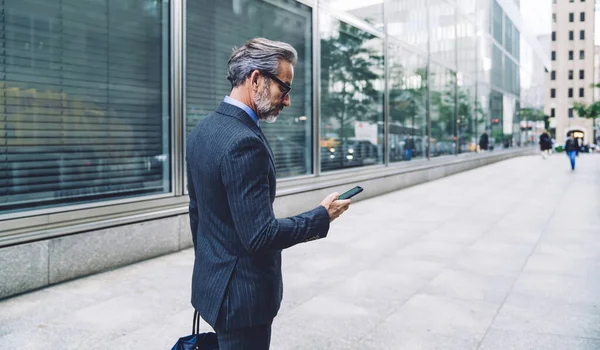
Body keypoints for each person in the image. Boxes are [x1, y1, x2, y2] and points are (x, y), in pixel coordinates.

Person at [186, 38, 351, 349]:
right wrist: (320, 217)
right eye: (284, 89)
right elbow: (260, 235)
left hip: (213, 288)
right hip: (242, 301)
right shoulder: (244, 143)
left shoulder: (203, 130)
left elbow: (198, 210)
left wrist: (211, 267)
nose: (287, 100)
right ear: (256, 79)